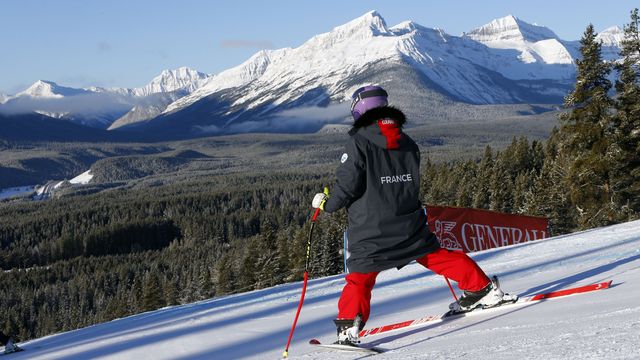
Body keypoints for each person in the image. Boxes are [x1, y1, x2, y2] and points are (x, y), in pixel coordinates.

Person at [311, 85, 516, 346]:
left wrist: (327, 204)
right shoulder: (406, 141)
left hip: (373, 227)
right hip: (408, 219)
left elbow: (348, 184)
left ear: (360, 110)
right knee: (435, 256)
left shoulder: (359, 141)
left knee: (361, 274)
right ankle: (482, 288)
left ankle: (349, 328)